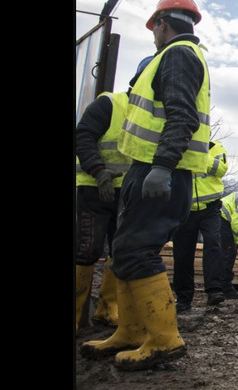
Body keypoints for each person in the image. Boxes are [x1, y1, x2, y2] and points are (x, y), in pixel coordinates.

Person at [80, 0, 211, 371]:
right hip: (152, 168)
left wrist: (163, 167)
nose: (153, 34)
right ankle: (132, 331)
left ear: (160, 24)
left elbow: (181, 116)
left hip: (161, 171)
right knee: (124, 250)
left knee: (138, 252)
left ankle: (165, 340)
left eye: (153, 28)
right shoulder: (176, 56)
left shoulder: (177, 55)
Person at [74, 55, 154, 331]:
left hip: (126, 194)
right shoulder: (110, 103)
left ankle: (107, 310)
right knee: (86, 250)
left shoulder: (151, 115)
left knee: (119, 251)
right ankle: (77, 316)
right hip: (93, 189)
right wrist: (98, 170)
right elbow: (82, 136)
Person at [171, 139, 229, 312]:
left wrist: (199, 154)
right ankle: (183, 298)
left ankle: (214, 291)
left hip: (210, 206)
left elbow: (221, 169)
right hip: (184, 207)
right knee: (182, 252)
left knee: (213, 244)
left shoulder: (215, 147)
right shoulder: (177, 143)